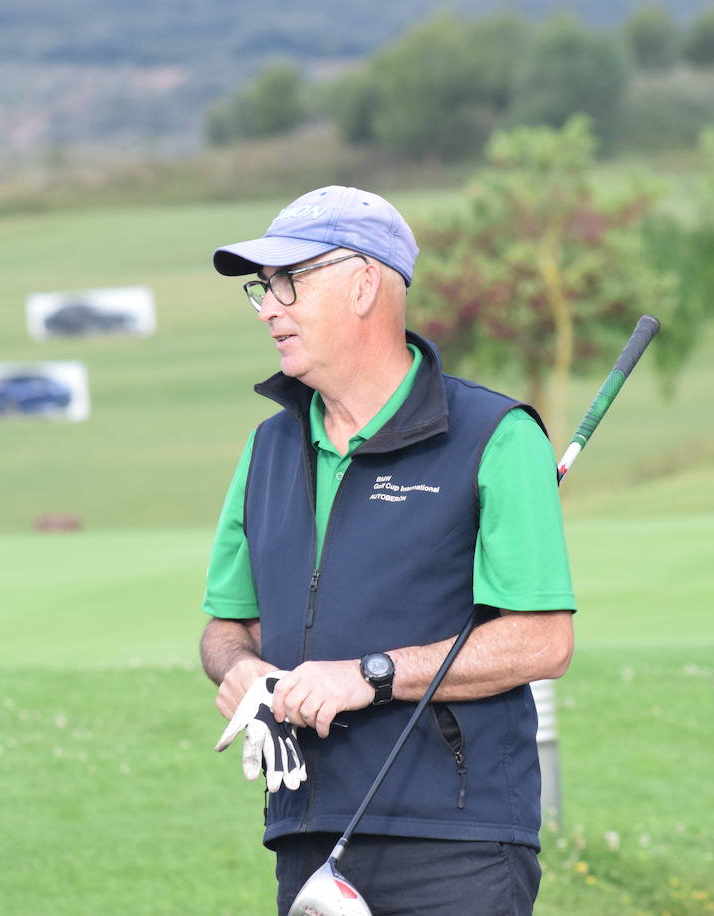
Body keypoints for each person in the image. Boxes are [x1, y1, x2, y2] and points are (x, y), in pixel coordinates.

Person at [200, 186, 576, 916]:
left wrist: (368, 676)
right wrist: (246, 675)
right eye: (262, 288)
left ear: (365, 283)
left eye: (289, 283)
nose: (268, 308)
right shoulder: (267, 449)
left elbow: (543, 640)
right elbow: (227, 627)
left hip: (456, 843)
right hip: (307, 834)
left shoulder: (494, 436)